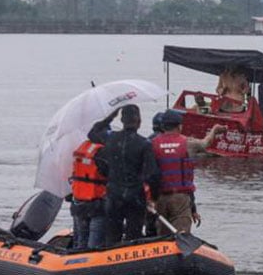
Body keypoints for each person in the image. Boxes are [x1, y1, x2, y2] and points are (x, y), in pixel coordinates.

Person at [91, 105, 159, 245]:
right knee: (133, 235)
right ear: (139, 121)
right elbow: (152, 174)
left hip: (113, 194)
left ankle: (111, 259)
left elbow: (93, 132)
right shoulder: (144, 144)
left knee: (112, 235)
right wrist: (154, 198)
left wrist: (110, 117)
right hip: (135, 195)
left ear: (121, 120)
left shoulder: (110, 138)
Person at [151, 110, 226, 235]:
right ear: (179, 126)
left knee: (163, 237)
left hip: (160, 198)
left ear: (162, 126)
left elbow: (150, 173)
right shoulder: (187, 143)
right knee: (182, 236)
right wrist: (214, 130)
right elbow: (205, 143)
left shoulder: (153, 144)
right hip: (180, 197)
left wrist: (152, 200)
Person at [69, 138, 108, 249]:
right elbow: (111, 174)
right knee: (94, 245)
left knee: (81, 240)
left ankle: (77, 260)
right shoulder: (102, 153)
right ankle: (91, 263)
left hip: (78, 202)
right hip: (96, 205)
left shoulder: (82, 149)